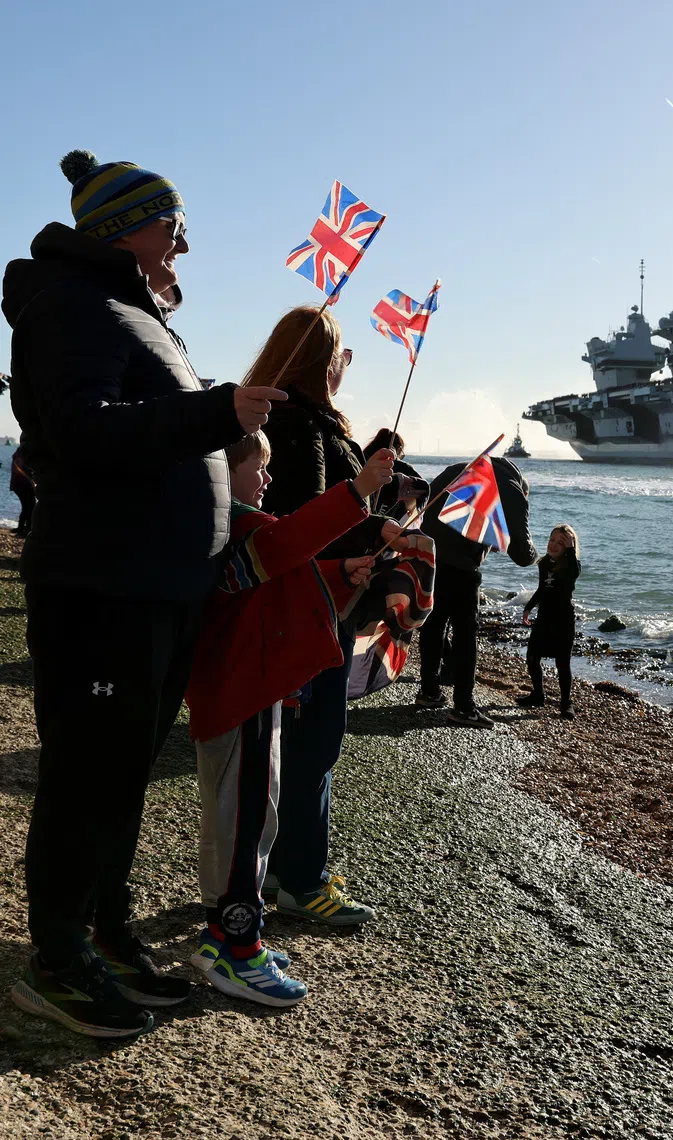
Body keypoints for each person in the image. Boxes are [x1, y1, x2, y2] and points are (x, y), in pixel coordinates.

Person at [2, 150, 286, 1038]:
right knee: (88, 777)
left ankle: (105, 929)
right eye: (176, 228)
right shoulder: (66, 303)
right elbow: (86, 434)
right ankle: (55, 960)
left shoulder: (130, 311)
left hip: (156, 589)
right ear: (128, 227)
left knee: (121, 777)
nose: (187, 247)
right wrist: (216, 414)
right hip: (101, 588)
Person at [185, 432, 394, 1006]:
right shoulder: (235, 527)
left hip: (247, 690)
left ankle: (228, 926)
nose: (269, 479)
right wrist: (358, 492)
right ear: (227, 470)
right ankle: (235, 946)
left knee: (247, 815)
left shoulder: (233, 531)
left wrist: (337, 572)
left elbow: (282, 575)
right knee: (245, 819)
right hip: (242, 694)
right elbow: (286, 545)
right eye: (262, 467)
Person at [249, 307, 403, 924]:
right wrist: (364, 513)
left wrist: (375, 518)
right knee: (315, 744)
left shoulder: (276, 415)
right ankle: (301, 879)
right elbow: (305, 520)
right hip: (315, 609)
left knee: (290, 746)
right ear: (322, 361)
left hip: (302, 605)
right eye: (342, 356)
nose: (345, 368)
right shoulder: (304, 425)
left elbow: (315, 513)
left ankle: (271, 869)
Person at [418, 457, 536, 727]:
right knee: (465, 633)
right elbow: (521, 552)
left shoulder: (462, 468)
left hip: (431, 555)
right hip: (461, 566)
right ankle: (464, 707)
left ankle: (429, 691)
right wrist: (538, 558)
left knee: (434, 624)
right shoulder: (510, 486)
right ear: (524, 488)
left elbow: (433, 509)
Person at [518, 526, 582, 718]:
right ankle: (538, 694)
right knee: (532, 657)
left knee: (562, 663)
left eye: (561, 543)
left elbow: (574, 573)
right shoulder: (544, 563)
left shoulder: (571, 565)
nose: (554, 545)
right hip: (544, 618)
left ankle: (566, 703)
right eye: (552, 540)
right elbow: (541, 589)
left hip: (563, 621)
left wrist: (570, 550)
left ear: (569, 547)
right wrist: (528, 607)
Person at [9, 445, 35, 536]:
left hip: (21, 485)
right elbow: (19, 471)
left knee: (29, 506)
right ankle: (26, 528)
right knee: (29, 506)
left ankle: (24, 527)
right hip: (22, 485)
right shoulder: (20, 457)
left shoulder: (19, 455)